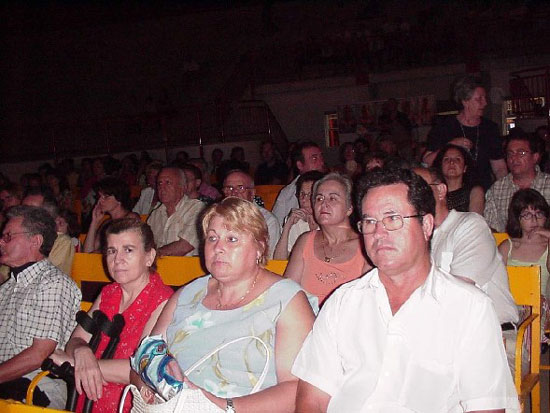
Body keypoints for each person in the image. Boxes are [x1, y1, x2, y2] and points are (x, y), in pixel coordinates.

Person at [293, 168, 519, 412]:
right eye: (369, 222)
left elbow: (485, 407)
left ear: (426, 225)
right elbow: (312, 398)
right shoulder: (342, 303)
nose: (379, 233)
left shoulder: (468, 308)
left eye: (393, 219)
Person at [132, 197, 315, 412]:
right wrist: (149, 387)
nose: (218, 248)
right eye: (212, 238)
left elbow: (298, 389)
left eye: (232, 239)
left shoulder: (287, 300)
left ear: (260, 247)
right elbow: (145, 356)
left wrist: (221, 406)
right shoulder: (188, 294)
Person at [50, 219, 173, 412]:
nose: (117, 259)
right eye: (111, 251)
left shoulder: (164, 300)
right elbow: (76, 340)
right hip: (86, 396)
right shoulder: (108, 293)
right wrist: (82, 351)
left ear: (149, 257)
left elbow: (141, 369)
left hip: (130, 402)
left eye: (128, 250)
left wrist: (76, 364)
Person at [0, 206, 81, 408]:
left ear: (35, 241)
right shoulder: (8, 287)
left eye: (8, 236)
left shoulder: (53, 283)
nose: (1, 242)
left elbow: (39, 355)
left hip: (36, 385)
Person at [283, 173, 370, 305]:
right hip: (305, 320)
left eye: (332, 199)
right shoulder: (305, 241)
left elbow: (365, 304)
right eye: (319, 198)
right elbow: (287, 294)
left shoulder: (365, 246)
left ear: (350, 207)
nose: (324, 204)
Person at [423, 75, 508, 190]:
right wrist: (451, 144)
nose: (485, 103)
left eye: (485, 98)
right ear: (465, 101)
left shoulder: (490, 128)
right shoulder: (444, 126)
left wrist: (503, 190)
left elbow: (499, 168)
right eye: (479, 99)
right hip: (450, 192)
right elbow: (427, 161)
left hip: (483, 191)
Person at [499, 188, 550, 336]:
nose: (534, 220)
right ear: (517, 219)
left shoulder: (547, 245)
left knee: (535, 307)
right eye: (527, 215)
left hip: (538, 309)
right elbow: (495, 283)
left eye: (539, 214)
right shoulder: (507, 246)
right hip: (510, 306)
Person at [484, 130, 550, 232]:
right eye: (510, 154)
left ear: (535, 157)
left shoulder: (548, 184)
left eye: (521, 153)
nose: (514, 158)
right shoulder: (497, 189)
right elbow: (491, 228)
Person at [222, 170, 281, 258]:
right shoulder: (217, 217)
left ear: (252, 193)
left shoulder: (267, 221)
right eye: (229, 188)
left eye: (240, 188)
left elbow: (268, 257)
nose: (234, 193)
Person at [147, 167, 205, 256]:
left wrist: (152, 255)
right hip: (159, 266)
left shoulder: (196, 208)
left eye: (168, 183)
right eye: (160, 183)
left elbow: (185, 246)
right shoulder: (155, 214)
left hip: (187, 268)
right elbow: (146, 244)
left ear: (182, 187)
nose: (162, 187)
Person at [22, 188, 76, 275]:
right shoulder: (17, 236)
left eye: (29, 211)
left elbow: (43, 274)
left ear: (47, 215)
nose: (21, 214)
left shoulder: (61, 242)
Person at [273, 171, 324, 260]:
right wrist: (287, 227)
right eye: (302, 194)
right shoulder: (295, 220)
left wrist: (313, 231)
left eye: (310, 195)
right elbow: (279, 260)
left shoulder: (330, 222)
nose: (304, 200)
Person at [272, 141, 326, 225]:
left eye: (321, 157)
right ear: (300, 165)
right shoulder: (287, 194)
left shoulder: (332, 186)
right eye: (314, 159)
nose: (321, 163)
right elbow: (276, 224)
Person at [83, 177, 139, 253]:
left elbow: (123, 248)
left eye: (105, 197)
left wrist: (98, 252)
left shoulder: (131, 218)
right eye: (99, 197)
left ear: (119, 198)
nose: (99, 201)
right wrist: (94, 222)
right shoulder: (106, 223)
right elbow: (87, 252)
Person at [432, 143, 485, 213]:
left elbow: (475, 220)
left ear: (465, 168)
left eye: (457, 159)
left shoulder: (474, 191)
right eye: (446, 159)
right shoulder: (434, 192)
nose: (451, 162)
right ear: (441, 166)